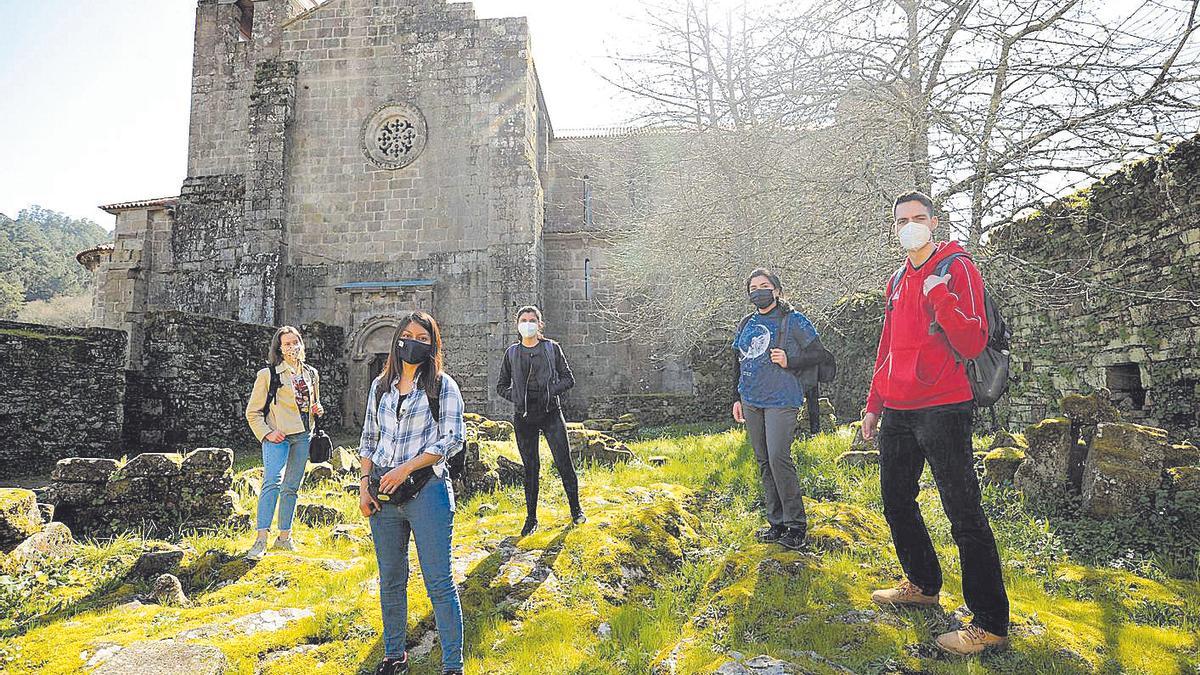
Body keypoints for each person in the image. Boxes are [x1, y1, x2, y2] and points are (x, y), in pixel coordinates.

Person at [861, 190, 1010, 656]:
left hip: (945, 406)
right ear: (895, 227)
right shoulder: (897, 278)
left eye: (919, 217)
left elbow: (971, 341)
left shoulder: (957, 267)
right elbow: (888, 345)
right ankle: (923, 584)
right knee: (896, 501)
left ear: (935, 221)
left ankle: (989, 624)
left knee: (963, 513)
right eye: (903, 219)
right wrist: (874, 403)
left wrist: (940, 295)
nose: (911, 225)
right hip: (899, 409)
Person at [358, 311, 465, 675]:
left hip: (427, 491)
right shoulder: (380, 386)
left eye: (423, 337)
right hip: (384, 495)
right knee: (390, 579)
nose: (413, 342)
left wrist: (405, 469)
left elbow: (452, 438)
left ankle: (452, 665)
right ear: (397, 339)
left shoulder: (442, 385)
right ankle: (394, 657)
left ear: (432, 344)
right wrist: (364, 485)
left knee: (438, 582)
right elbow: (369, 439)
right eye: (408, 335)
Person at [731, 269, 829, 551]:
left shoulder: (793, 320)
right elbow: (737, 361)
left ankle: (796, 525)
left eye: (764, 286)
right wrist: (736, 397)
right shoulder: (746, 323)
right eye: (753, 287)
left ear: (776, 290)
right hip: (750, 399)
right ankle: (776, 523)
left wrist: (791, 359)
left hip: (783, 400)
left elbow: (820, 354)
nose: (758, 291)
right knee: (763, 460)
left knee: (778, 458)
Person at [496, 305, 583, 537]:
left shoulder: (551, 348)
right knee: (531, 468)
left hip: (550, 413)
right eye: (523, 320)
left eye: (532, 320)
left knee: (564, 462)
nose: (528, 324)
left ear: (539, 324)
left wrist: (550, 391)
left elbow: (568, 379)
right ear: (517, 325)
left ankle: (576, 511)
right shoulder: (512, 353)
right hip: (524, 417)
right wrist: (515, 396)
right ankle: (531, 518)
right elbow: (500, 386)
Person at [244, 326, 324, 559]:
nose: (292, 347)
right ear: (279, 348)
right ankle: (260, 539)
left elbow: (312, 404)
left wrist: (317, 410)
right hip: (277, 436)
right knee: (272, 482)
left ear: (301, 344)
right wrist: (268, 433)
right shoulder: (268, 374)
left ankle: (284, 538)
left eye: (295, 342)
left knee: (291, 487)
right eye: (287, 344)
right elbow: (253, 413)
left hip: (302, 436)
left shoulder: (311, 373)